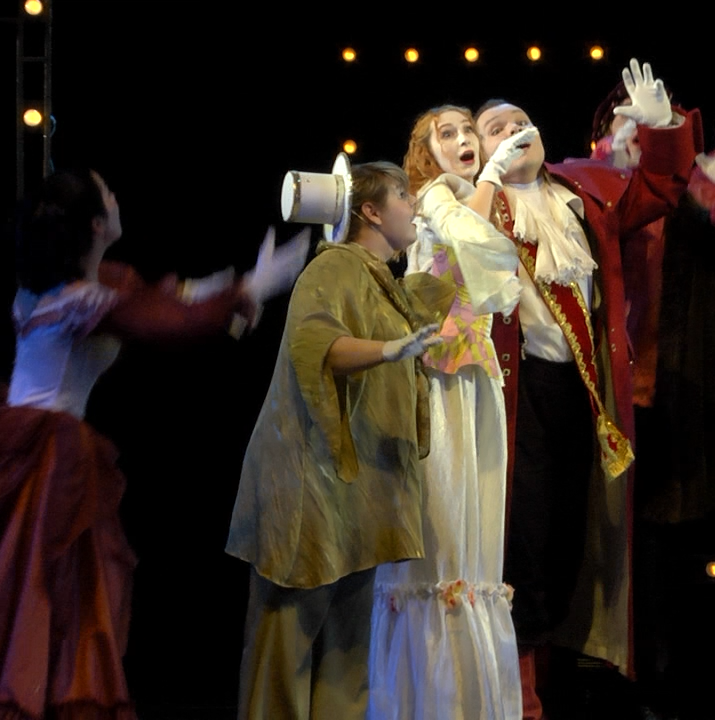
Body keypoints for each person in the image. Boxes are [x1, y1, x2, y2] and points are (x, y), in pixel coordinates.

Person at [0, 168, 306, 720]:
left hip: (27, 440)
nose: (116, 197)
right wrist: (251, 290)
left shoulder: (72, 285)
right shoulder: (82, 300)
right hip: (46, 458)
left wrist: (235, 284)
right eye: (107, 194)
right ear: (97, 224)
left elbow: (165, 297)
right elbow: (172, 322)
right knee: (47, 593)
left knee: (37, 590)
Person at [473, 58, 700, 719]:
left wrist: (662, 128)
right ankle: (520, 698)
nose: (514, 131)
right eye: (496, 129)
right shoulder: (472, 206)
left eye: (521, 121)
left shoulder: (581, 190)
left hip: (580, 391)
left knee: (568, 540)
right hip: (512, 397)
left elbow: (659, 189)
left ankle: (551, 683)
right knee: (521, 543)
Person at [587, 91, 715, 714]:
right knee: (614, 545)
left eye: (653, 122)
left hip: (688, 385)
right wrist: (616, 162)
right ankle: (617, 681)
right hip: (607, 388)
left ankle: (670, 683)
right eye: (625, 122)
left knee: (678, 547)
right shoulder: (591, 183)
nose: (638, 132)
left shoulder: (697, 184)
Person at [225, 158, 455, 720]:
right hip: (310, 490)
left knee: (348, 651)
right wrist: (389, 350)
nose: (414, 206)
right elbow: (315, 342)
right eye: (404, 197)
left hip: (356, 495)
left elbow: (442, 291)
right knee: (285, 646)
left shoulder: (382, 282)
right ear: (371, 212)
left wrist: (455, 222)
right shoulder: (333, 267)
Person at [366, 105, 534, 720]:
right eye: (449, 134)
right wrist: (489, 174)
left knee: (475, 535)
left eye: (468, 131)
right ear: (427, 152)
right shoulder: (435, 194)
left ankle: (471, 697)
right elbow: (469, 237)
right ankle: (432, 701)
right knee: (440, 531)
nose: (464, 139)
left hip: (475, 380)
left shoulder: (469, 197)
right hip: (436, 380)